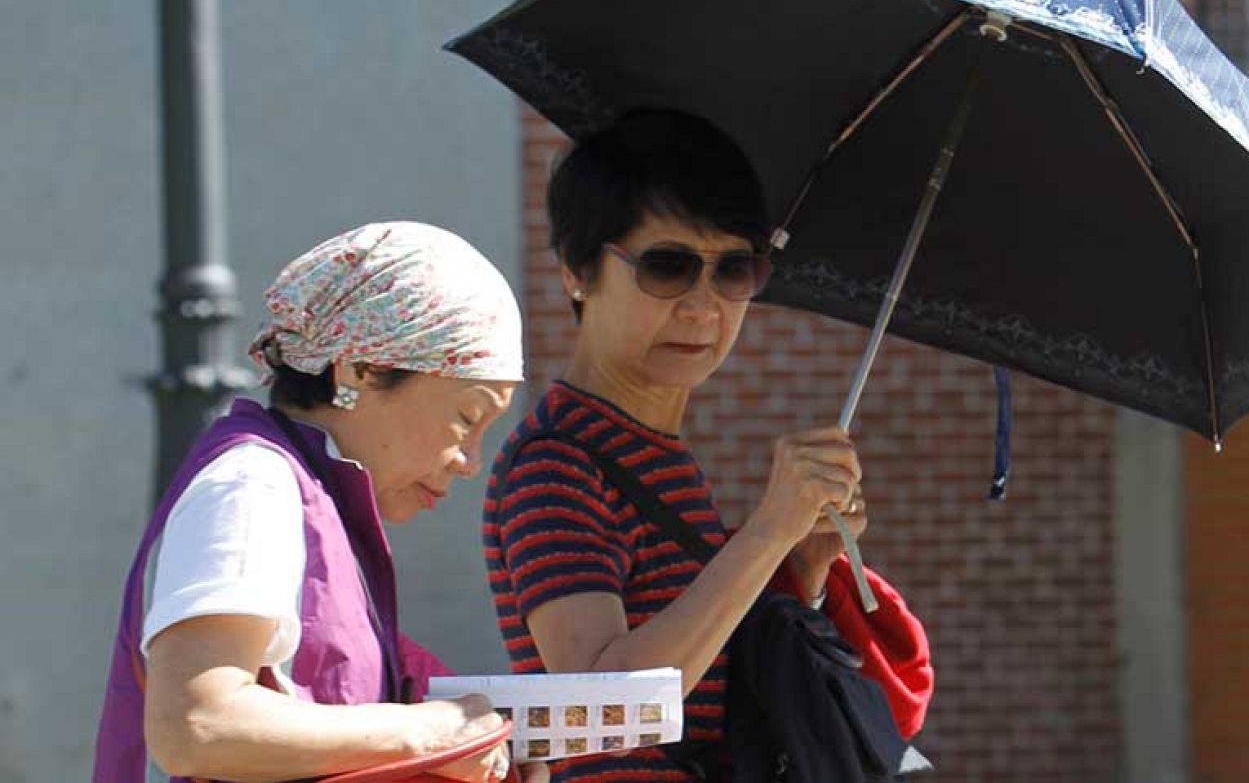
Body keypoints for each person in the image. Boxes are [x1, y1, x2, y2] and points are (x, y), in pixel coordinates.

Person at [483, 112, 934, 782]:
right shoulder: (558, 463)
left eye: (734, 270)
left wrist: (799, 564)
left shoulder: (654, 452)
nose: (704, 307)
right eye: (668, 268)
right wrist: (766, 532)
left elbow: (706, 687)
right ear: (578, 272)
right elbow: (601, 705)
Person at [95, 222, 528, 783]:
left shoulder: (311, 495)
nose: (470, 461)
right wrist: (426, 731)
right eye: (468, 418)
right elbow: (196, 723)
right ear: (361, 369)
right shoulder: (253, 486)